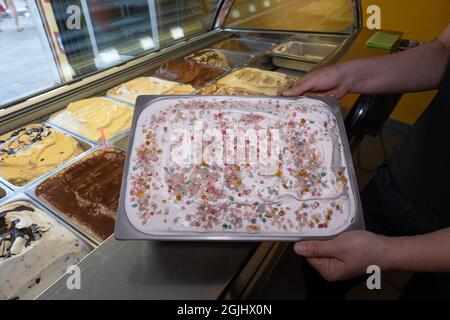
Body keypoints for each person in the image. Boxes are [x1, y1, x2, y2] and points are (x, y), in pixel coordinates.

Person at [283, 23, 450, 299]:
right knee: (319, 273)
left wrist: (388, 254)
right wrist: (348, 76)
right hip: (406, 176)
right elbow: (444, 51)